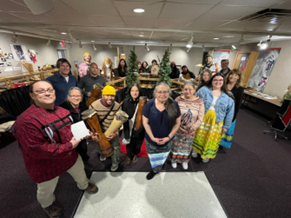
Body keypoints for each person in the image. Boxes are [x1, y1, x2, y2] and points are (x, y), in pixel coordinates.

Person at [12, 81, 98, 218]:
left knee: (80, 172)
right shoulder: (25, 121)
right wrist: (70, 145)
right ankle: (48, 204)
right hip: (45, 164)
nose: (46, 93)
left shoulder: (63, 111)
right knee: (46, 189)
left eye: (49, 90)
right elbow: (37, 149)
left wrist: (83, 133)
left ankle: (84, 185)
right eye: (40, 91)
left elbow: (70, 131)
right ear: (32, 95)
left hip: (70, 156)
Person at [192, 73, 234, 163]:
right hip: (203, 117)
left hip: (217, 121)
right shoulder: (203, 90)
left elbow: (230, 113)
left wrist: (226, 126)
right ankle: (195, 150)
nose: (218, 82)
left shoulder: (228, 96)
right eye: (215, 80)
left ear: (224, 82)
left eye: (220, 80)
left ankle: (206, 154)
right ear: (212, 81)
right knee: (198, 135)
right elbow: (194, 102)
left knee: (211, 138)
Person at [142, 82, 181, 180]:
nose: (162, 94)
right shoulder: (149, 104)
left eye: (165, 92)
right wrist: (152, 137)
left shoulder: (174, 104)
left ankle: (159, 166)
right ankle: (155, 169)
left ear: (169, 93)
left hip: (168, 140)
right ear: (155, 93)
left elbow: (177, 123)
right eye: (159, 92)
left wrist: (169, 137)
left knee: (163, 155)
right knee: (153, 156)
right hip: (151, 139)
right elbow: (145, 122)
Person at [170, 81, 204, 170]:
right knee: (176, 145)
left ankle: (184, 161)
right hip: (177, 128)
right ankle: (174, 160)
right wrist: (179, 127)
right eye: (185, 89)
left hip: (190, 130)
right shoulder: (177, 99)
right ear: (182, 90)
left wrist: (192, 128)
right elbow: (173, 114)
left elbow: (200, 118)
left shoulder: (199, 101)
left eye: (190, 89)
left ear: (194, 90)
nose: (187, 91)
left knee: (187, 146)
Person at [90, 85, 122, 171]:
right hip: (100, 132)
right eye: (107, 95)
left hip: (112, 132)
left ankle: (115, 163)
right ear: (102, 95)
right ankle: (102, 153)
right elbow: (90, 122)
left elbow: (121, 121)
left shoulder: (117, 106)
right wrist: (94, 134)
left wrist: (115, 133)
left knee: (115, 148)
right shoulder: (94, 105)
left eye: (112, 95)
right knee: (100, 146)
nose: (110, 98)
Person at [59, 87, 90, 161]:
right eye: (73, 96)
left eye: (78, 96)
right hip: (69, 135)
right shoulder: (62, 108)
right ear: (68, 97)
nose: (76, 98)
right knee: (71, 153)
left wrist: (88, 128)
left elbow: (87, 118)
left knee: (83, 149)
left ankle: (84, 160)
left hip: (82, 134)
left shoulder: (83, 105)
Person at [121, 83, 146, 165]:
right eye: (132, 91)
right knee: (129, 142)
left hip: (140, 127)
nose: (134, 93)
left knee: (138, 142)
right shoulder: (126, 101)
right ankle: (128, 155)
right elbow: (123, 115)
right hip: (129, 126)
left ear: (139, 91)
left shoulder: (144, 102)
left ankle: (135, 154)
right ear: (130, 91)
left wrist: (142, 127)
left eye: (136, 90)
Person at [220, 69, 244, 148]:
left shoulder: (239, 89)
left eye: (236, 75)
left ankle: (221, 144)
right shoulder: (223, 84)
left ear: (238, 78)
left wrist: (233, 118)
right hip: (220, 110)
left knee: (225, 130)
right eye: (231, 74)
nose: (232, 76)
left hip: (230, 112)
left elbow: (238, 105)